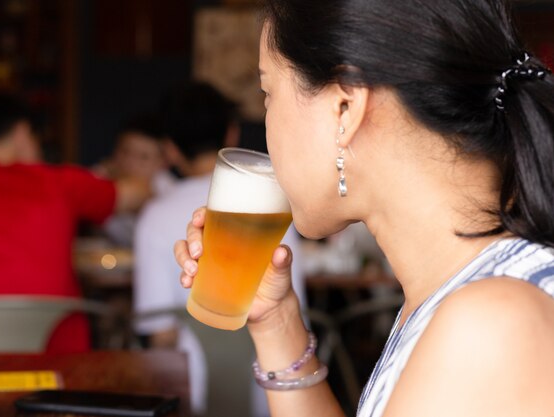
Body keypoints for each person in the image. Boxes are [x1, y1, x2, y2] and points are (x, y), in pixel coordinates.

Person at [174, 1, 554, 416]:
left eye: (268, 93)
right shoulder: (465, 292)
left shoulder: (490, 327)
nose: (266, 126)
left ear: (345, 108)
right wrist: (277, 323)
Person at [133, 81, 306, 416]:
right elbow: (301, 310)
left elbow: (160, 336)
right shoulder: (276, 208)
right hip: (277, 386)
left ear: (169, 149)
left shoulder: (155, 216)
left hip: (191, 396)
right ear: (232, 135)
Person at [0, 94, 150, 353]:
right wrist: (115, 166)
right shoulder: (59, 182)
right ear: (22, 132)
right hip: (59, 352)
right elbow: (138, 193)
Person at [92, 113, 175, 247]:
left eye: (143, 157)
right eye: (125, 152)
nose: (131, 164)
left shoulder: (170, 193)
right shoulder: (99, 178)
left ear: (164, 162)